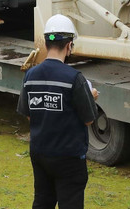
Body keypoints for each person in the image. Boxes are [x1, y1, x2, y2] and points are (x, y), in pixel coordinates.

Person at [17, 15, 99, 209]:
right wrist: (91, 97)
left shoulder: (30, 75)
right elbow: (88, 120)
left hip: (40, 152)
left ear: (46, 43)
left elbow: (29, 114)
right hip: (68, 156)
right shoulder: (74, 78)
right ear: (69, 45)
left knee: (42, 202)